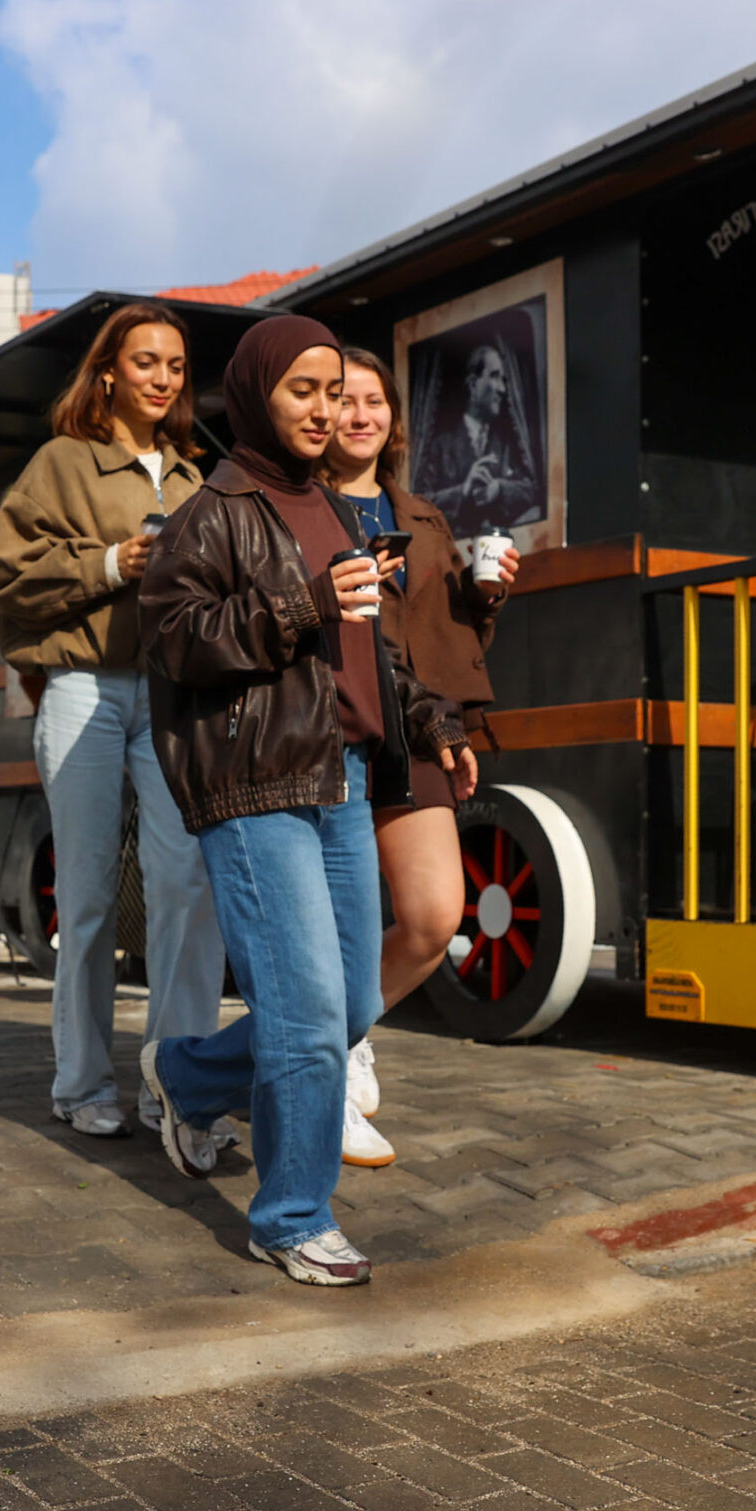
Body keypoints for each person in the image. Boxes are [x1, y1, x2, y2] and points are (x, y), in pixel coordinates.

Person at [136, 317, 474, 1286]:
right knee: (303, 1014)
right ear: (254, 397)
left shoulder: (331, 507)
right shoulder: (215, 509)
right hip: (253, 786)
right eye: (304, 391)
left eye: (334, 391)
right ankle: (290, 1215)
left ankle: (191, 1074)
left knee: (352, 1002)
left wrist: (431, 717)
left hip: (343, 776)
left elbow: (373, 649)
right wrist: (300, 606)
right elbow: (175, 641)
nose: (325, 410)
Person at [0, 302, 226, 1137]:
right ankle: (83, 1083)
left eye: (176, 366)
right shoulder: (65, 461)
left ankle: (180, 1082)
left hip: (170, 695)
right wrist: (110, 561)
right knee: (84, 894)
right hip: (83, 683)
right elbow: (7, 572)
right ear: (110, 371)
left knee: (187, 887)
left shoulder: (197, 477)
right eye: (146, 362)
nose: (163, 378)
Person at [321, 347, 518, 1165]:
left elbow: (441, 638)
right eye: (343, 399)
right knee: (341, 923)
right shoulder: (301, 508)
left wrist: (484, 593)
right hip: (334, 726)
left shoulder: (427, 516)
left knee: (436, 914)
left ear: (394, 419)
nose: (361, 414)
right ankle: (319, 1075)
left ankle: (347, 1032)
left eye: (375, 401)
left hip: (422, 727)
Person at [412, 341, 541, 534]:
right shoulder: (440, 447)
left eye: (504, 380)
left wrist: (498, 489)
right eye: (495, 377)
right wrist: (464, 491)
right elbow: (418, 505)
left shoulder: (507, 445)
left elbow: (531, 490)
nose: (503, 389)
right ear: (473, 385)